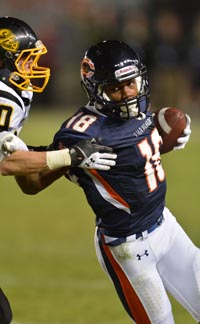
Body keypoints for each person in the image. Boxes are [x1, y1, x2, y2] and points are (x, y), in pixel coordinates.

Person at [2, 40, 197, 324]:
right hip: (128, 246)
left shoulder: (138, 108)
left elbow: (136, 147)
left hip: (167, 225)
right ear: (96, 90)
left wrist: (166, 134)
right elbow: (28, 181)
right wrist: (70, 157)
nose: (127, 94)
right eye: (115, 88)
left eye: (131, 83)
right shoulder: (82, 133)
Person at [0, 17, 117, 323]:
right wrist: (72, 155)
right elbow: (7, 163)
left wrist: (58, 156)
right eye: (25, 61)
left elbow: (28, 181)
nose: (30, 68)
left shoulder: (11, 94)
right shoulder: (4, 97)